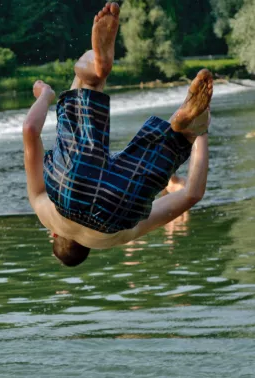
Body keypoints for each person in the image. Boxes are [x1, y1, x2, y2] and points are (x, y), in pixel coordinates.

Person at [23, 2, 212, 267]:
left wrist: (202, 135)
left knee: (177, 140)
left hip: (118, 213)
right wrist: (44, 95)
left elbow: (192, 194)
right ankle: (96, 72)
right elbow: (31, 131)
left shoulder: (116, 240)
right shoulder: (45, 213)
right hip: (68, 193)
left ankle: (188, 128)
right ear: (54, 234)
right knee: (85, 83)